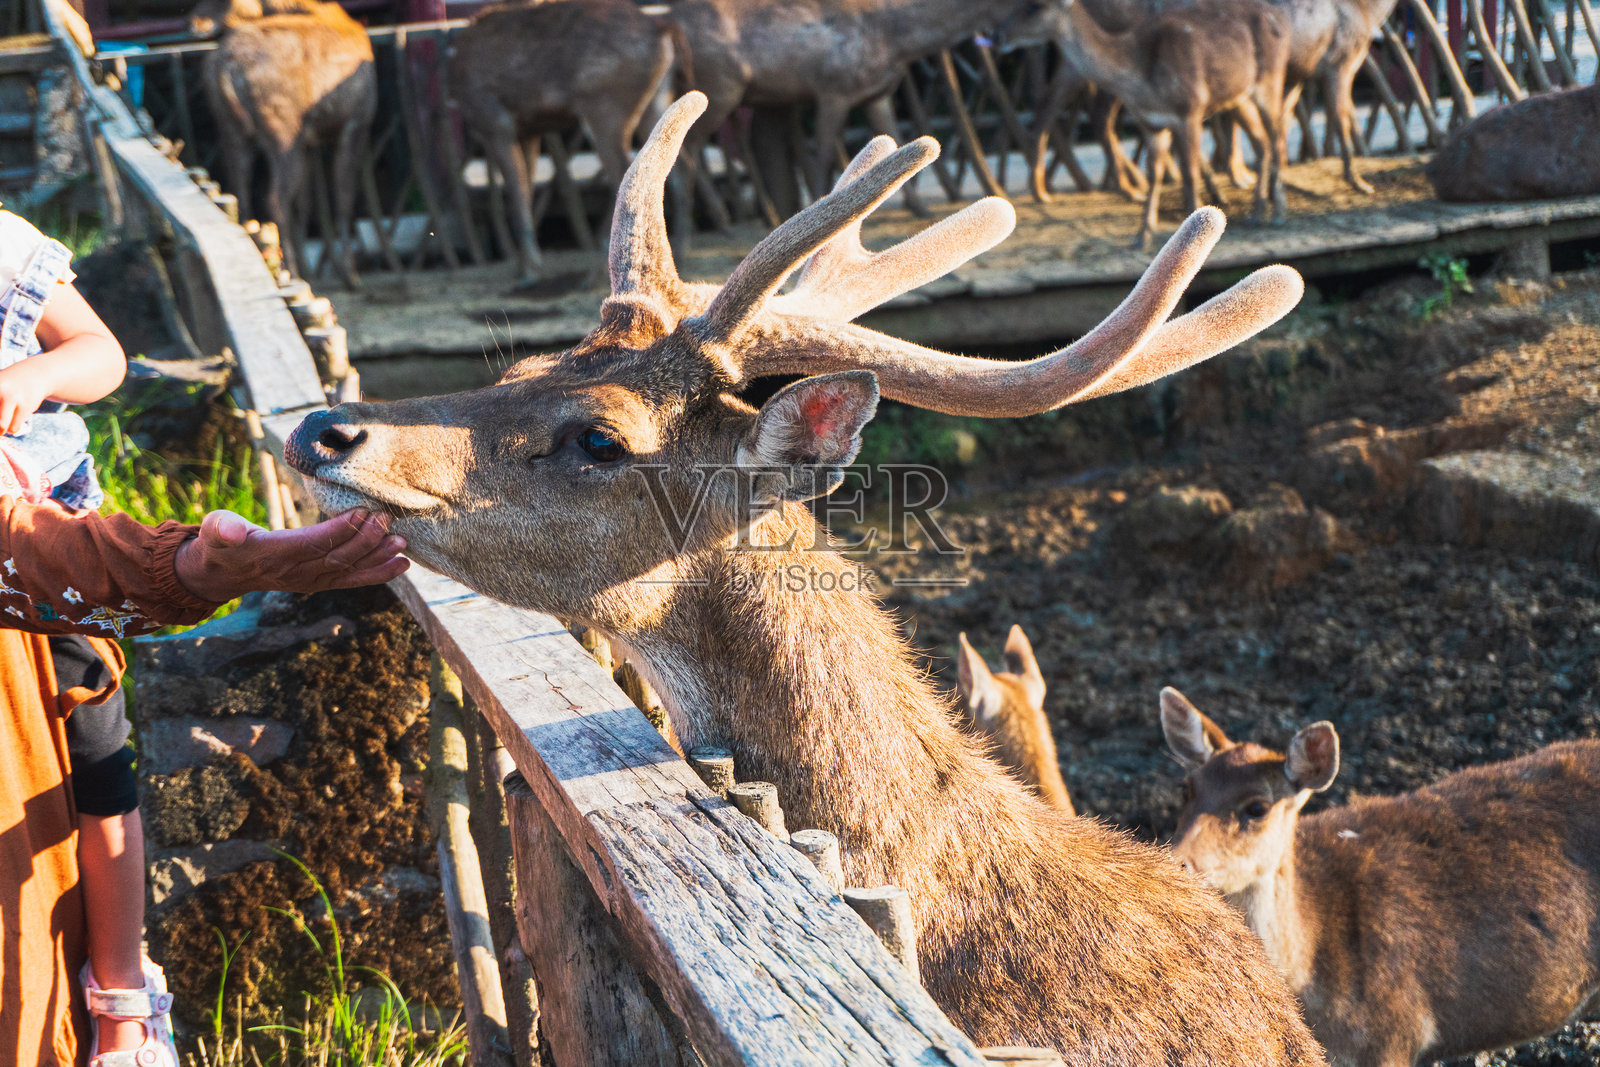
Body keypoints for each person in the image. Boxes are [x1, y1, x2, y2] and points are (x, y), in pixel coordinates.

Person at [1, 499, 408, 1067]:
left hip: (42, 532)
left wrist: (191, 569)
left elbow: (38, 549)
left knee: (99, 756)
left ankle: (122, 997)